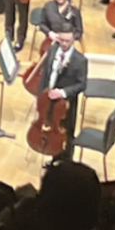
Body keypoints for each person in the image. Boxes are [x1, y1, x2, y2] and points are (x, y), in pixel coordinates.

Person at [36, 31, 88, 162]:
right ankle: (53, 157)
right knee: (49, 127)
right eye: (62, 40)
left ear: (73, 40)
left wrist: (62, 93)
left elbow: (81, 84)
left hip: (65, 104)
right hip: (49, 99)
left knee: (66, 134)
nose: (64, 43)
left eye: (67, 41)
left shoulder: (80, 60)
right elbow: (45, 73)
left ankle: (66, 163)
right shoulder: (53, 50)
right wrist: (40, 94)